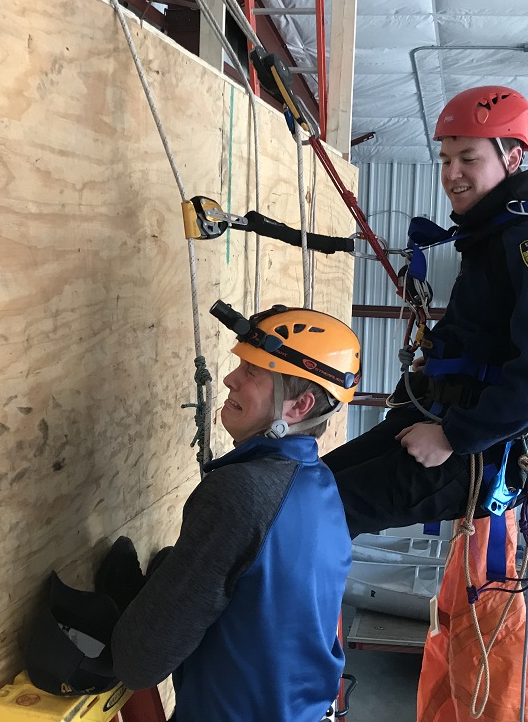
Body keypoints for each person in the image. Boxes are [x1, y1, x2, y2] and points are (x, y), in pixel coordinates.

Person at [323, 86, 528, 722]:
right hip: (443, 424)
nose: (451, 174)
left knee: (320, 510)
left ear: (512, 155)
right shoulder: (493, 237)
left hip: (478, 451)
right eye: (445, 158)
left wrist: (452, 435)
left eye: (468, 157)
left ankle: (270, 655)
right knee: (308, 485)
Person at [102, 301, 362, 721]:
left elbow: (138, 663)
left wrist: (136, 600)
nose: (229, 378)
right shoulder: (320, 487)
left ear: (298, 407)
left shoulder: (241, 493)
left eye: (252, 373)